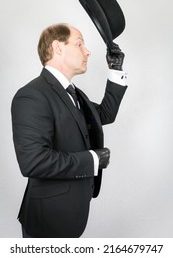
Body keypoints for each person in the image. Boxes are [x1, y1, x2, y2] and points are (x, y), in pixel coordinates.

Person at [11, 23, 127, 238]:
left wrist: (115, 70)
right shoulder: (31, 95)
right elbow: (33, 162)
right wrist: (92, 160)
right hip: (47, 224)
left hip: (71, 218)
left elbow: (104, 115)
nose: (88, 51)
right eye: (79, 44)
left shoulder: (74, 93)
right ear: (58, 47)